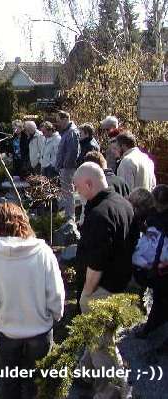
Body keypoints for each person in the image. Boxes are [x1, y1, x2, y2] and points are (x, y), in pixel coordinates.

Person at [0, 202, 65, 399]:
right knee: (37, 383)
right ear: (23, 221)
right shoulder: (43, 252)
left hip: (7, 330)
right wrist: (55, 315)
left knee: (10, 383)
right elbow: (56, 293)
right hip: (40, 330)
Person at [74, 162, 136, 314]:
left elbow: (97, 262)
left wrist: (87, 293)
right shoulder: (125, 203)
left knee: (99, 337)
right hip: (121, 282)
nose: (77, 191)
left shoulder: (99, 214)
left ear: (88, 184)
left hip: (101, 290)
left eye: (78, 187)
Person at [134, 185, 168, 337]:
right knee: (160, 297)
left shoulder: (153, 215)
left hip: (159, 265)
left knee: (160, 298)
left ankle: (150, 328)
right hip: (157, 264)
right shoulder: (153, 214)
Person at [55, 111, 80, 223]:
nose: (57, 123)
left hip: (68, 168)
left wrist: (64, 166)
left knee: (68, 193)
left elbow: (72, 152)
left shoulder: (72, 132)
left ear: (65, 119)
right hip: (65, 168)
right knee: (66, 193)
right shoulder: (67, 131)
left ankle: (70, 218)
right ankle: (67, 215)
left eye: (59, 120)